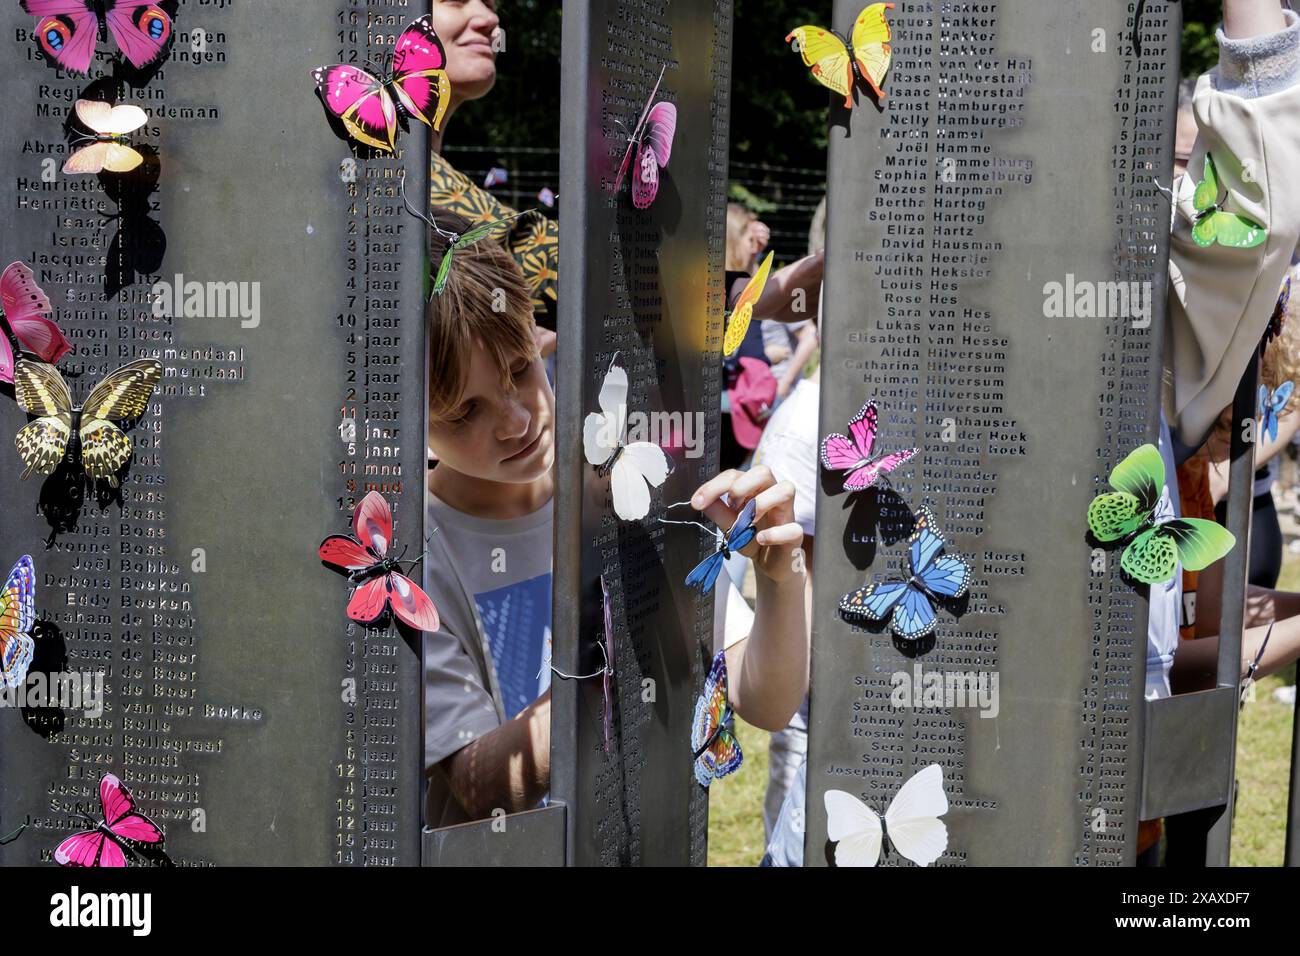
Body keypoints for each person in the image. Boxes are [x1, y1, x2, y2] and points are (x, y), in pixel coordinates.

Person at [420, 221, 812, 826]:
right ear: (405, 411)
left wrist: (784, 584)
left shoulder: (625, 478)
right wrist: (623, 639)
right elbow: (483, 786)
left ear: (541, 339)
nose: (516, 421)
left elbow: (765, 698)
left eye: (521, 370)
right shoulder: (414, 551)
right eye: (466, 410)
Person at [425, 0, 559, 321]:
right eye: (455, 0)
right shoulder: (392, 171)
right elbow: (553, 267)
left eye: (491, 3)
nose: (490, 19)